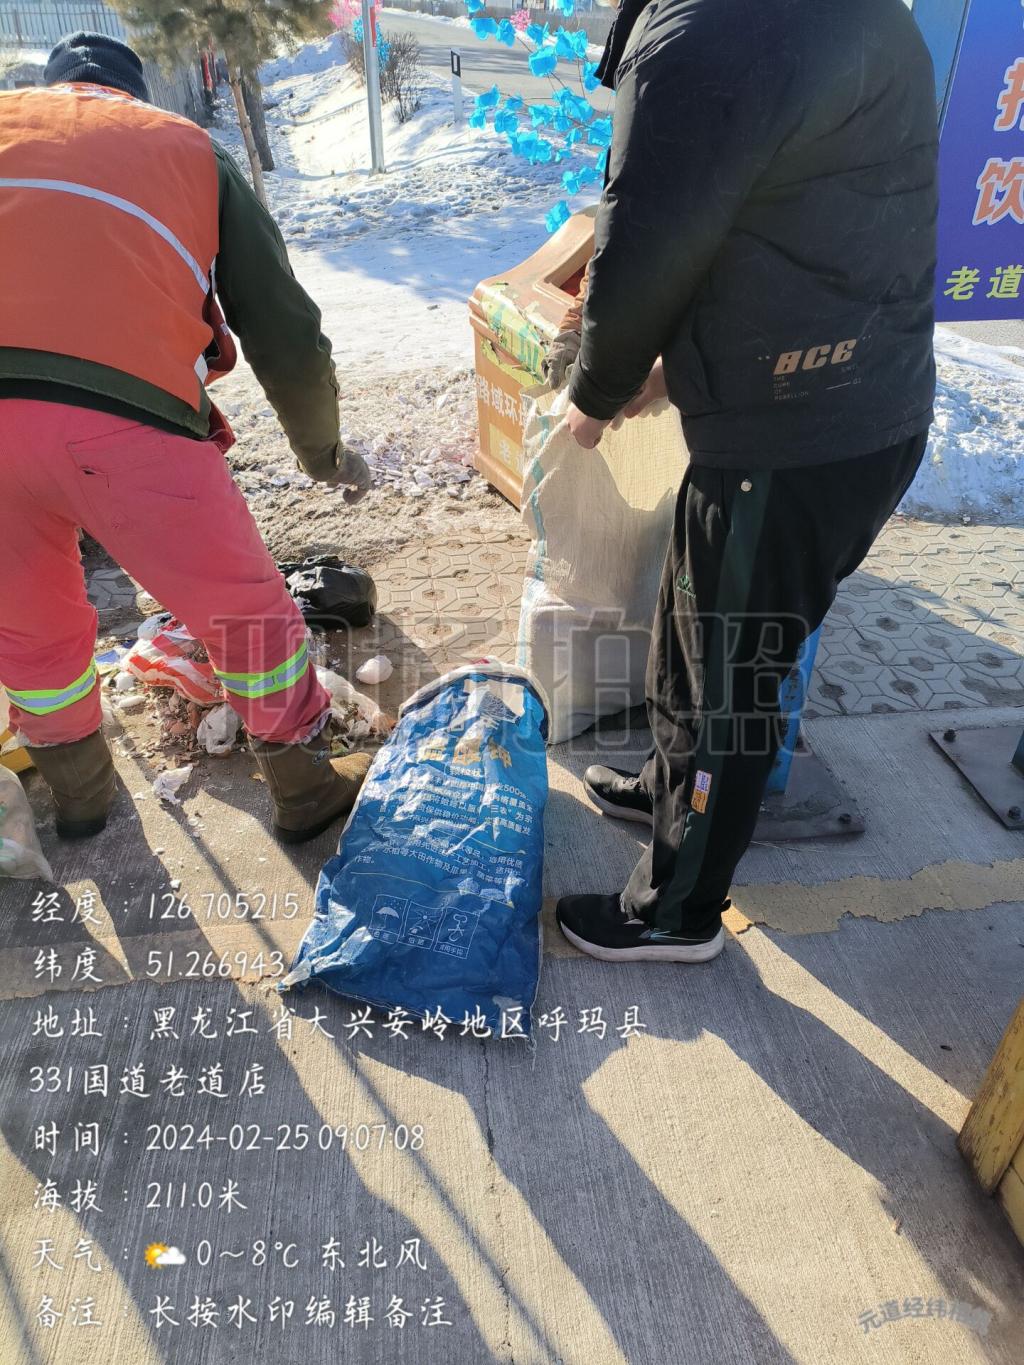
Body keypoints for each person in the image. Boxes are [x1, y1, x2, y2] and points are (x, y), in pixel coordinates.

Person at [556, 0, 938, 962]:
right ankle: (668, 787)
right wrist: (676, 369)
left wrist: (595, 394)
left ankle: (678, 909)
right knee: (696, 635)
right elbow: (790, 222)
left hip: (795, 433)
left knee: (728, 680)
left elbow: (650, 239)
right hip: (826, 401)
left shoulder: (701, 32)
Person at [0, 32, 373, 844]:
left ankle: (81, 800)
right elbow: (285, 333)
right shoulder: (183, 148)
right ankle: (305, 789)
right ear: (132, 95)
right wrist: (322, 453)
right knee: (245, 610)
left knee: (29, 622)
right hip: (126, 421)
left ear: (52, 89)